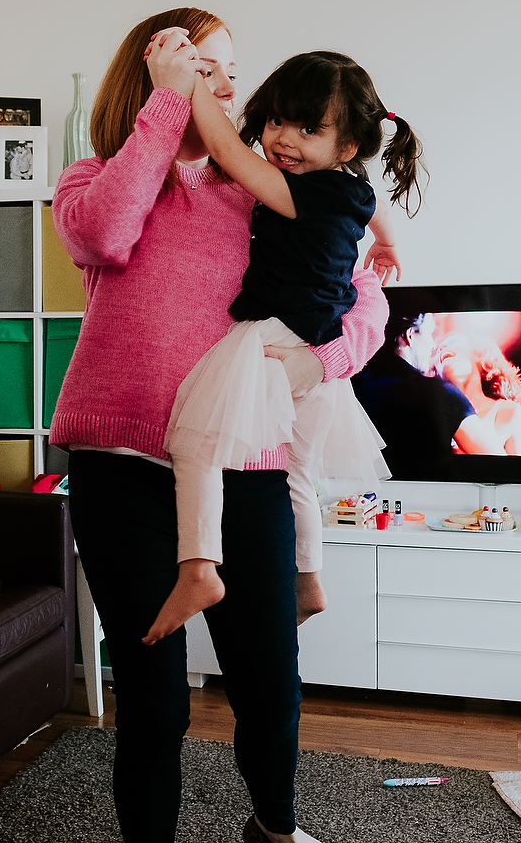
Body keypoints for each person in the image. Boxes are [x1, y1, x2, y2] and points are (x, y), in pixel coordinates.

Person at [50, 8, 387, 843]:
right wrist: (166, 110)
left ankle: (274, 828)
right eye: (205, 67)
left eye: (230, 68)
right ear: (159, 77)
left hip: (247, 466)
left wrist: (322, 360)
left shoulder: (263, 189)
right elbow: (104, 232)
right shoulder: (95, 176)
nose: (228, 83)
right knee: (155, 702)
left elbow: (363, 299)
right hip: (121, 468)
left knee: (271, 682)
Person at [145, 50, 423, 646]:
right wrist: (387, 246)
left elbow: (225, 151)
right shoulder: (350, 189)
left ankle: (198, 567)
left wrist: (190, 88)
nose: (282, 140)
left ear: (346, 148)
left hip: (275, 334)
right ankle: (309, 579)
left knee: (193, 440)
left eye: (307, 130)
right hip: (323, 351)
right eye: (275, 121)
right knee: (298, 470)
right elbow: (377, 213)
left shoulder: (306, 192)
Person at [352, 312, 500, 478]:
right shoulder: (441, 392)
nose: (433, 346)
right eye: (429, 333)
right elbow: (499, 462)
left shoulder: (358, 386)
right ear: (410, 336)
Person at [436, 335, 521, 455]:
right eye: (438, 349)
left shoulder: (509, 411)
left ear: (479, 355)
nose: (442, 348)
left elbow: (518, 472)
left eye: (453, 341)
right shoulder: (435, 413)